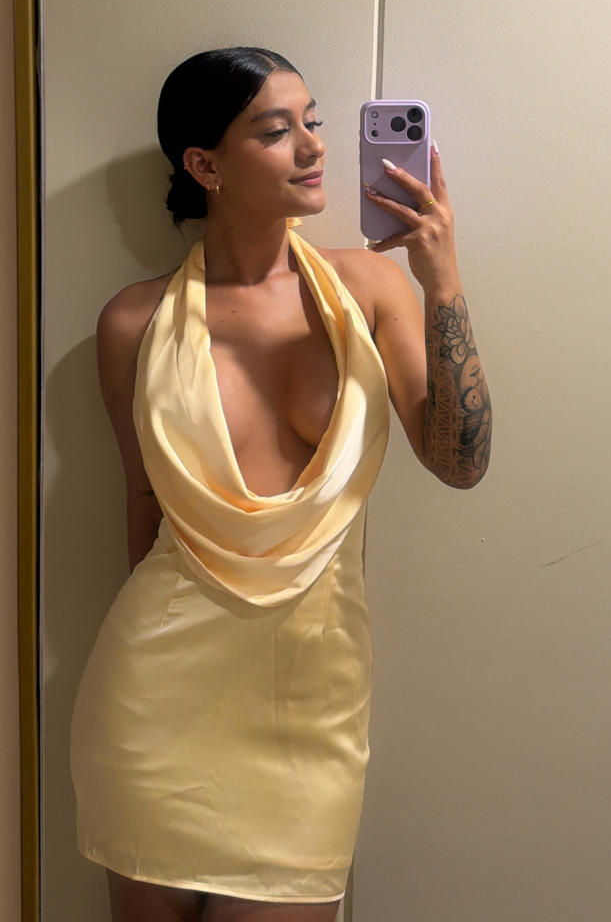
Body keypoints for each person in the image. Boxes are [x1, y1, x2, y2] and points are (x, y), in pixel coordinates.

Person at [70, 46, 492, 922]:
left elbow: (461, 463)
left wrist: (442, 278)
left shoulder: (370, 287)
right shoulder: (134, 321)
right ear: (206, 166)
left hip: (311, 696)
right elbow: (142, 505)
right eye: (275, 130)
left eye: (313, 122)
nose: (313, 146)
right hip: (158, 691)